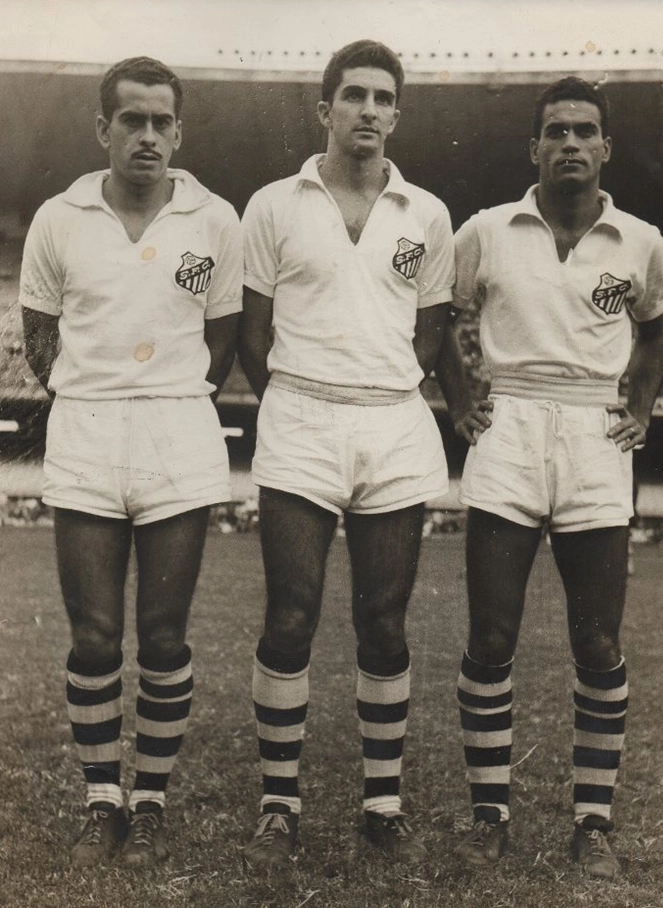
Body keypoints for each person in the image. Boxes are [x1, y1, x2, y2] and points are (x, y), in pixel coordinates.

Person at [436, 76, 663, 879]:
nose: (571, 143)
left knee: (597, 639)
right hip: (510, 426)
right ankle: (490, 814)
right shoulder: (487, 231)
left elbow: (654, 331)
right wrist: (463, 399)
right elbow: (442, 319)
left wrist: (639, 404)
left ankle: (593, 823)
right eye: (556, 132)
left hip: (595, 434)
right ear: (534, 147)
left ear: (605, 147)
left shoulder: (640, 242)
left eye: (586, 131)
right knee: (492, 637)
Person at [20, 57, 243, 867]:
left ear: (179, 131)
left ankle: (148, 802)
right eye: (132, 120)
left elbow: (223, 338)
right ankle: (99, 798)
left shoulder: (216, 219)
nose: (147, 136)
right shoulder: (59, 216)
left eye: (161, 122)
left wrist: (173, 396)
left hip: (177, 433)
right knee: (93, 634)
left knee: (162, 633)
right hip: (86, 431)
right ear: (103, 128)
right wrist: (92, 395)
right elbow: (39, 330)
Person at [238, 39, 454, 869]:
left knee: (383, 621)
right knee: (291, 617)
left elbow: (429, 338)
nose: (369, 110)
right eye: (353, 95)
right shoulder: (274, 204)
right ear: (324, 109)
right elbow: (255, 338)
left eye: (383, 97)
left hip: (393, 424)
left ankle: (382, 804)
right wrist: (300, 399)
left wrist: (374, 390)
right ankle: (279, 804)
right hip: (300, 421)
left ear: (398, 113)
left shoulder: (425, 215)